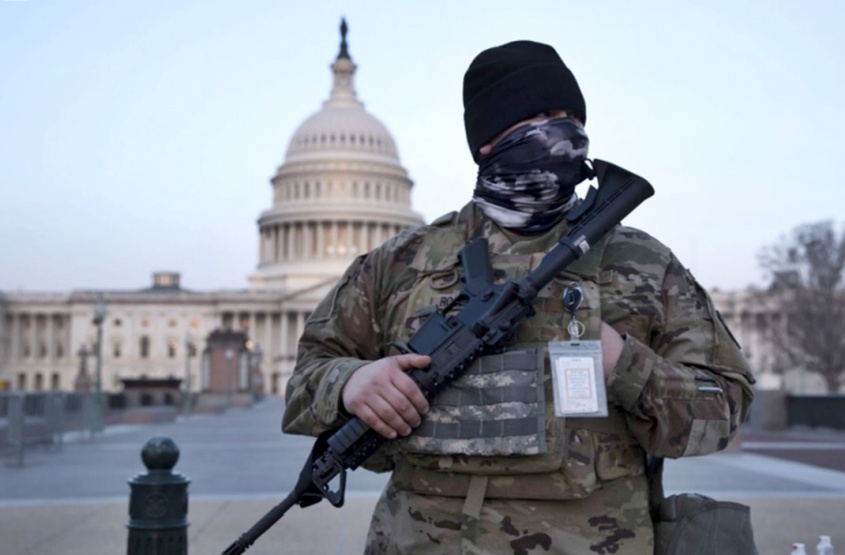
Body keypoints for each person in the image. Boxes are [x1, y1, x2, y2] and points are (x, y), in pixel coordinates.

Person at [282, 40, 755, 555]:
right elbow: (306, 379)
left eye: (570, 117)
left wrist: (624, 365)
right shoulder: (398, 264)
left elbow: (726, 406)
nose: (561, 130)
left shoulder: (644, 263)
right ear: (489, 140)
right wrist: (351, 383)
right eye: (539, 116)